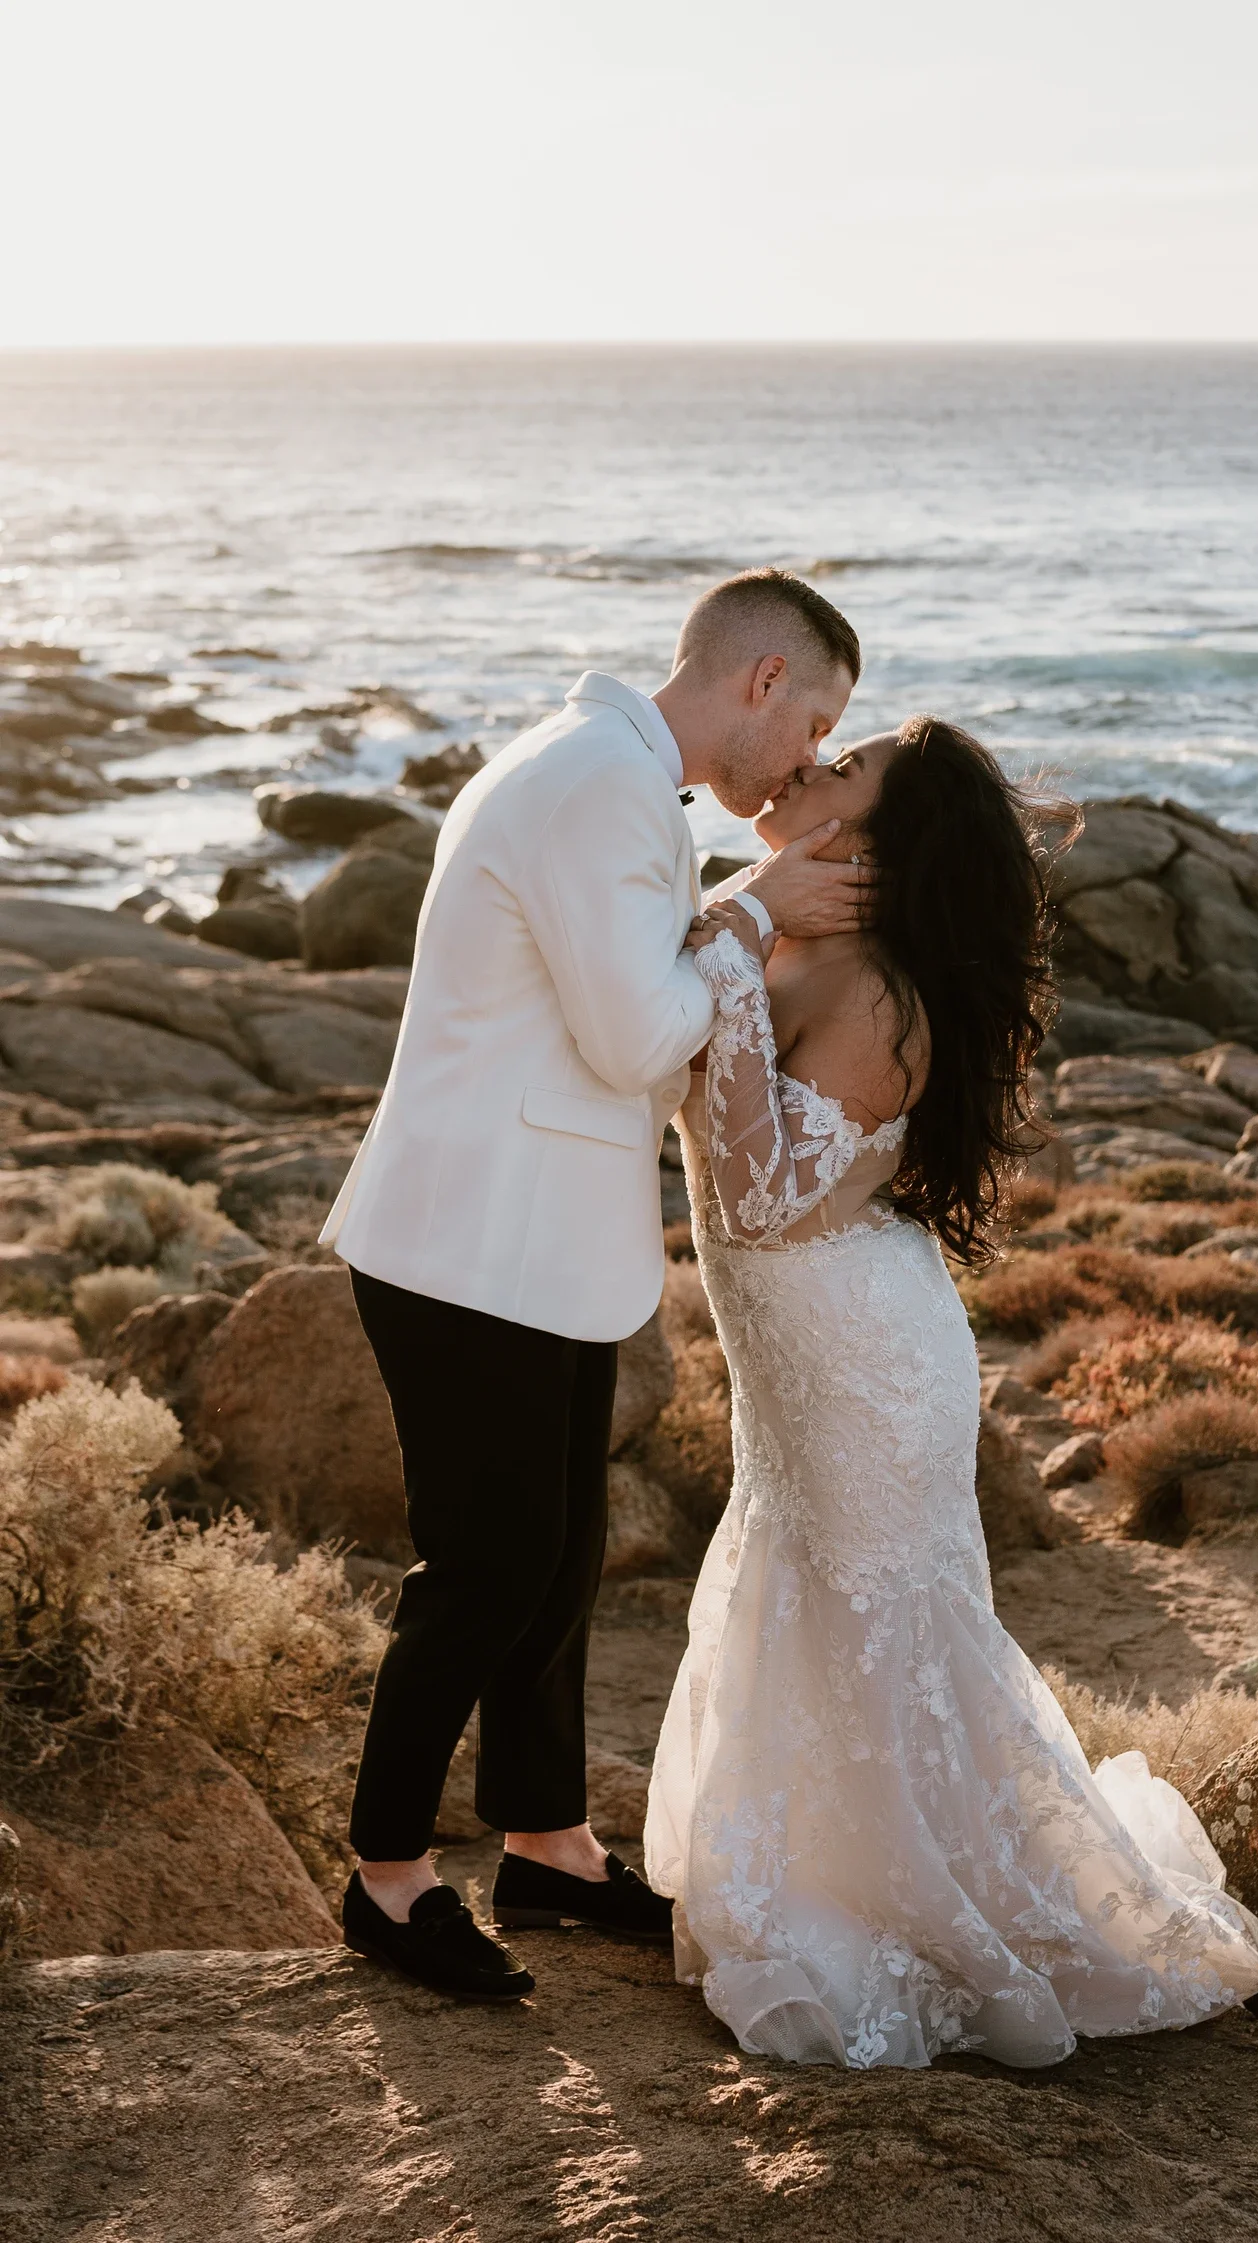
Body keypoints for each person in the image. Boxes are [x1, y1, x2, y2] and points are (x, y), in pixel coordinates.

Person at [645, 716, 1258, 2069]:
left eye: (842, 768)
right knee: (807, 1591)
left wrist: (732, 949)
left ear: (882, 839)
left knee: (880, 1618)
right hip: (799, 1358)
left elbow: (757, 1200)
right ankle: (824, 1869)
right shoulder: (785, 934)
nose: (805, 770)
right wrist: (741, 925)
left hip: (860, 1358)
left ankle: (935, 1908)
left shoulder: (874, 985)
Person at [324, 568, 865, 2001]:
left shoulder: (601, 767)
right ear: (760, 682)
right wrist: (753, 912)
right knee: (488, 1566)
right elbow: (638, 1039)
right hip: (468, 1248)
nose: (808, 757)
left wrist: (728, 913)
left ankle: (547, 1846)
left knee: (553, 1559)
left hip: (534, 1241)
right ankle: (385, 1879)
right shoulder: (599, 787)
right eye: (812, 718)